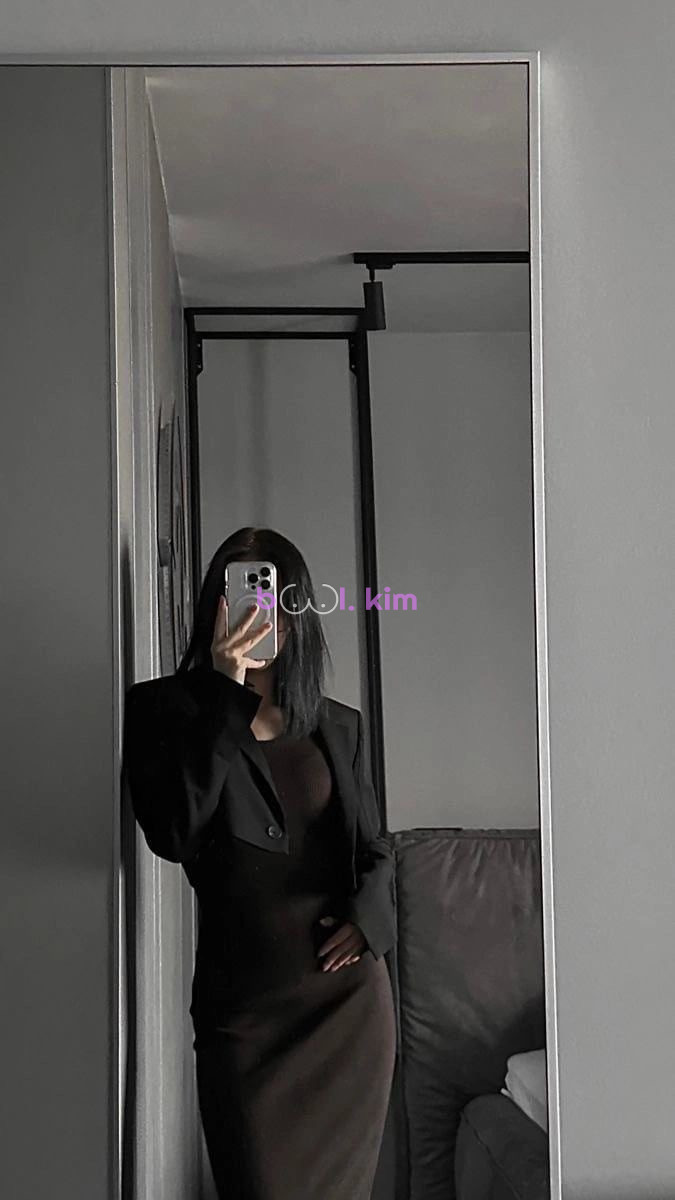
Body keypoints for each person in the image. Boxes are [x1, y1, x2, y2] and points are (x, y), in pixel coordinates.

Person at [122, 526, 398, 1200]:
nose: (256, 612)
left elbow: (376, 848)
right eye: (239, 595)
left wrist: (369, 919)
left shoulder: (338, 725)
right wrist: (226, 691)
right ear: (214, 608)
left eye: (272, 596)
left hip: (346, 1011)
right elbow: (174, 834)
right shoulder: (163, 710)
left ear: (297, 611)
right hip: (244, 1019)